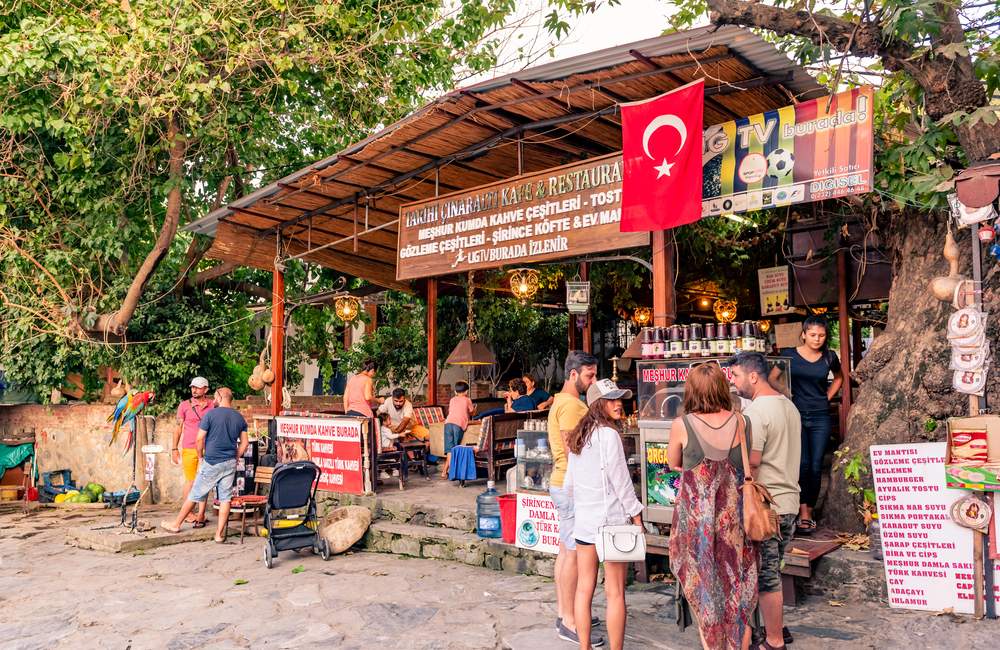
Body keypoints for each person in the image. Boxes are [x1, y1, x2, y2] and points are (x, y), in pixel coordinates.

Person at [667, 363, 757, 650]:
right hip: (736, 526)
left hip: (697, 530)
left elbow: (674, 463)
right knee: (739, 596)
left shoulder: (682, 425)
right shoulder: (742, 422)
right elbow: (747, 466)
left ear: (691, 391)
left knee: (706, 596)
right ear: (722, 387)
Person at [566, 379, 642, 650]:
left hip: (585, 523)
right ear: (598, 404)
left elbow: (569, 485)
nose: (618, 403)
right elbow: (621, 480)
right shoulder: (609, 435)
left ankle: (584, 646)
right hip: (611, 523)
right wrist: (636, 515)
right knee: (615, 592)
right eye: (611, 400)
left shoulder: (578, 435)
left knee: (584, 589)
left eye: (619, 398)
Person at [733, 352, 802, 650]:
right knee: (774, 568)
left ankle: (774, 641)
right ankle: (775, 629)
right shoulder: (789, 406)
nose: (733, 383)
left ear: (752, 376)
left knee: (767, 576)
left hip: (767, 507)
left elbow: (754, 462)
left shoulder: (756, 413)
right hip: (790, 501)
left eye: (735, 376)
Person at [546, 351, 601, 647]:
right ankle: (569, 620)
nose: (592, 381)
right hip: (570, 484)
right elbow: (573, 451)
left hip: (564, 483)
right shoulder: (569, 406)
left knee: (566, 551)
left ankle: (567, 611)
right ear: (573, 375)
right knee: (571, 552)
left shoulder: (565, 402)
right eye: (589, 376)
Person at [772, 315, 842, 534]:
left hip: (821, 416)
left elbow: (839, 378)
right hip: (796, 416)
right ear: (803, 334)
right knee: (800, 464)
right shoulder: (789, 355)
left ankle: (807, 512)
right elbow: (773, 379)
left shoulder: (829, 357)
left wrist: (827, 397)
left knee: (815, 465)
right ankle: (797, 508)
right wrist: (787, 395)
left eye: (821, 335)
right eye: (812, 335)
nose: (817, 339)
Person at [161, 387, 248, 543]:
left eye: (215, 397)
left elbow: (199, 439)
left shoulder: (210, 414)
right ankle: (219, 535)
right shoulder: (239, 417)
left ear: (220, 397)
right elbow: (245, 444)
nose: (213, 400)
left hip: (212, 461)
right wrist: (235, 456)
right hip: (229, 463)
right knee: (225, 498)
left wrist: (200, 456)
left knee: (195, 493)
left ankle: (176, 524)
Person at [171, 376, 215, 527]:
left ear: (206, 389)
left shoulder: (213, 406)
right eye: (192, 387)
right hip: (189, 448)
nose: (194, 390)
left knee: (205, 480)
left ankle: (201, 514)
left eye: (197, 387)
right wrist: (174, 448)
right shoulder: (184, 405)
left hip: (208, 448)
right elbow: (177, 428)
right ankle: (189, 513)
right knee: (190, 481)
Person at [442, 381, 475, 478]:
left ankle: (444, 472)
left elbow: (451, 411)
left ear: (455, 392)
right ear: (466, 391)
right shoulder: (467, 399)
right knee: (455, 449)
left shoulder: (452, 399)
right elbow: (472, 412)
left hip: (447, 423)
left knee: (449, 450)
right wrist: (474, 410)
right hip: (458, 425)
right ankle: (453, 473)